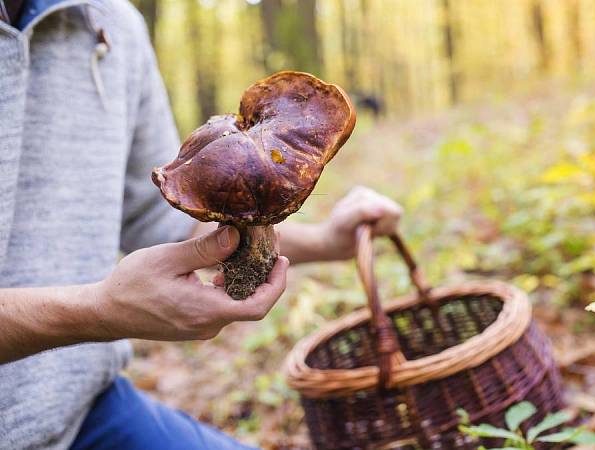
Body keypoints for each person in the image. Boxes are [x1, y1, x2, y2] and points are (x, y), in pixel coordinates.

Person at [0, 1, 402, 449]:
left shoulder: (114, 23)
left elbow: (165, 226)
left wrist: (329, 241)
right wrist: (97, 311)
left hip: (85, 409)